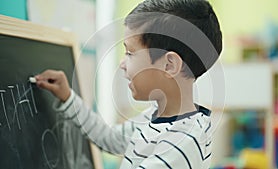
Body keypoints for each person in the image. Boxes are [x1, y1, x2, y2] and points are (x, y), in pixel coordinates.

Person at [35, 0, 222, 168]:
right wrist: (68, 97)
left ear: (169, 65)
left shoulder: (180, 143)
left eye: (130, 53)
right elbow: (110, 138)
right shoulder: (155, 115)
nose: (122, 63)